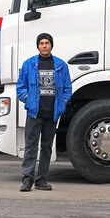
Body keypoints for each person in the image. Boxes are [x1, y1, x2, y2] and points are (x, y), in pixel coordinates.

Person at [16, 33, 72, 192]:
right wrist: (27, 99)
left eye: (47, 43)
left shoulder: (61, 65)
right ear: (38, 46)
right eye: (41, 43)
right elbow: (21, 86)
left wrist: (64, 102)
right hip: (35, 113)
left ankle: (42, 180)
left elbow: (68, 88)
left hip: (52, 113)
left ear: (51, 45)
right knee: (30, 146)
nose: (44, 45)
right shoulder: (29, 64)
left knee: (46, 147)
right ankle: (27, 179)